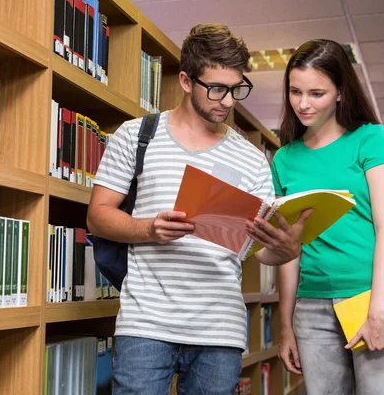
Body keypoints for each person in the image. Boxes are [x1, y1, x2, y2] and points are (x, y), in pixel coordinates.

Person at [87, 23, 312, 395]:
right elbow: (97, 216)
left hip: (219, 328)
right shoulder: (136, 135)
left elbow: (258, 250)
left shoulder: (252, 158)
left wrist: (287, 249)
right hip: (146, 321)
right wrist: (148, 229)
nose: (227, 100)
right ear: (187, 81)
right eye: (217, 89)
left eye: (236, 89)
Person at [270, 39, 384, 395]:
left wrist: (378, 313)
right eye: (295, 91)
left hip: (377, 296)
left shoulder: (370, 139)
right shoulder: (284, 159)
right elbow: (290, 250)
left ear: (340, 93)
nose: (303, 103)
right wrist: (285, 325)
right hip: (312, 306)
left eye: (317, 93)